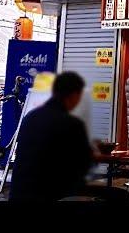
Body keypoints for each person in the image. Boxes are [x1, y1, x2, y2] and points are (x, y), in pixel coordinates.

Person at [10, 72, 92, 202]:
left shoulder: (30, 117)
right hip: (52, 194)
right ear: (74, 95)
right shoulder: (72, 123)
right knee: (118, 195)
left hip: (18, 193)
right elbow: (83, 163)